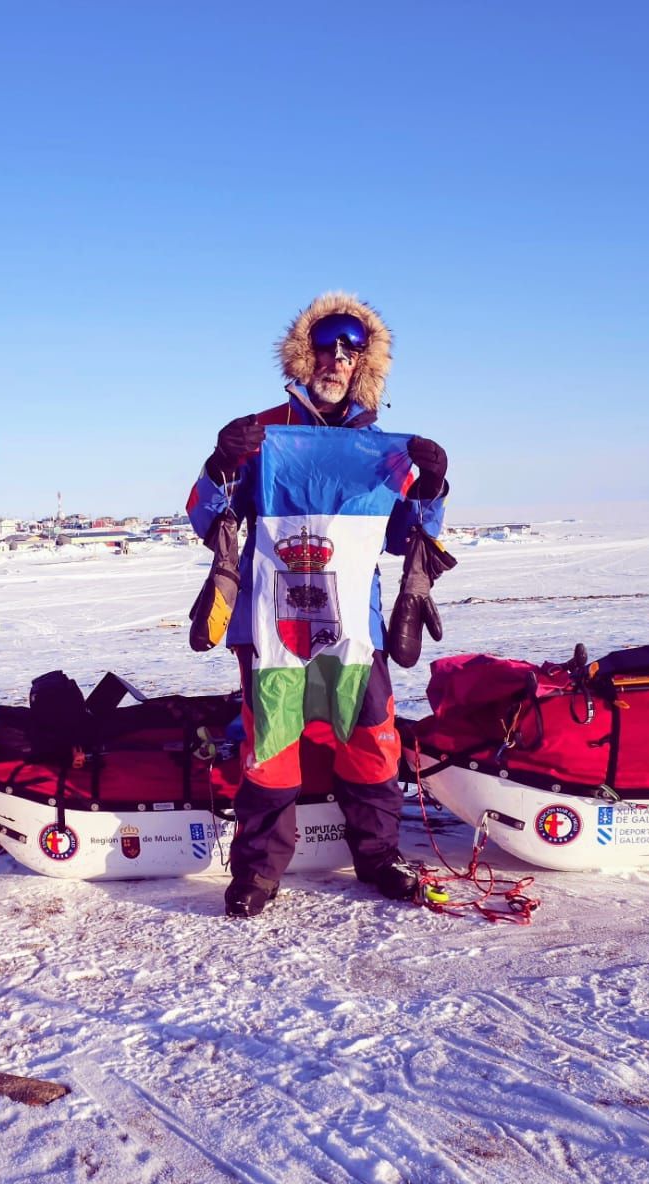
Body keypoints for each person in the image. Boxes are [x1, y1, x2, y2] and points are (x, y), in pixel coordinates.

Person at [185, 292, 449, 917]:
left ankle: (379, 857)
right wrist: (220, 463)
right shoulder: (261, 435)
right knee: (271, 744)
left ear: (365, 365)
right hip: (272, 621)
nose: (336, 360)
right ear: (305, 356)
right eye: (326, 347)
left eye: (350, 351)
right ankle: (257, 872)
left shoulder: (383, 448)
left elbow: (403, 535)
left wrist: (432, 488)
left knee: (371, 738)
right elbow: (205, 516)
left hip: (354, 624)